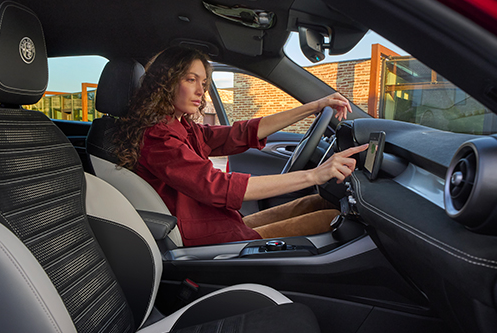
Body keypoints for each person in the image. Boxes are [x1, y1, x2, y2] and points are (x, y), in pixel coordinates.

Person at [113, 47, 368, 246]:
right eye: (191, 79)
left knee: (316, 203)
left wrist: (313, 106)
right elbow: (217, 186)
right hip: (203, 236)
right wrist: (314, 174)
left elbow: (240, 133)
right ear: (165, 82)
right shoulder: (159, 138)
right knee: (329, 220)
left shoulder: (184, 128)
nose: (201, 91)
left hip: (214, 219)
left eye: (203, 83)